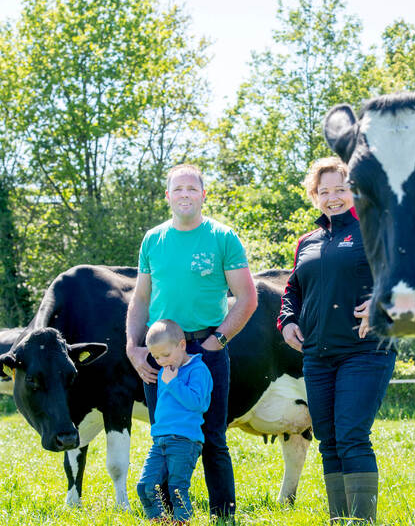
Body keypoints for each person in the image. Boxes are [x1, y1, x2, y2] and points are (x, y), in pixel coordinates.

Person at [126, 163, 258, 520]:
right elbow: (139, 299)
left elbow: (247, 297)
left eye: (191, 188)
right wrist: (133, 347)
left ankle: (223, 515)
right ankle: (167, 517)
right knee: (164, 437)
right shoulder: (153, 239)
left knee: (214, 437)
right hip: (161, 354)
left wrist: (217, 341)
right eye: (178, 189)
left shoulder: (222, 237)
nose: (185, 194)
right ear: (168, 196)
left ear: (203, 195)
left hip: (206, 352)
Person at [277, 156, 396, 523]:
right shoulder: (306, 242)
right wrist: (286, 321)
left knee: (351, 435)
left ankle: (362, 521)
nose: (332, 198)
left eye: (340, 190)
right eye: (324, 191)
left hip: (365, 350)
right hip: (317, 355)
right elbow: (292, 289)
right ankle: (339, 519)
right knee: (328, 439)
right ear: (314, 196)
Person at [136, 319, 212, 523]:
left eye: (165, 355)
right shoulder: (165, 372)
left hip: (184, 440)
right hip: (160, 440)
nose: (161, 361)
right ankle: (159, 520)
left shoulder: (198, 370)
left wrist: (174, 382)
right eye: (155, 356)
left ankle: (182, 521)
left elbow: (198, 403)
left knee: (177, 490)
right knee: (145, 486)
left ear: (182, 345)